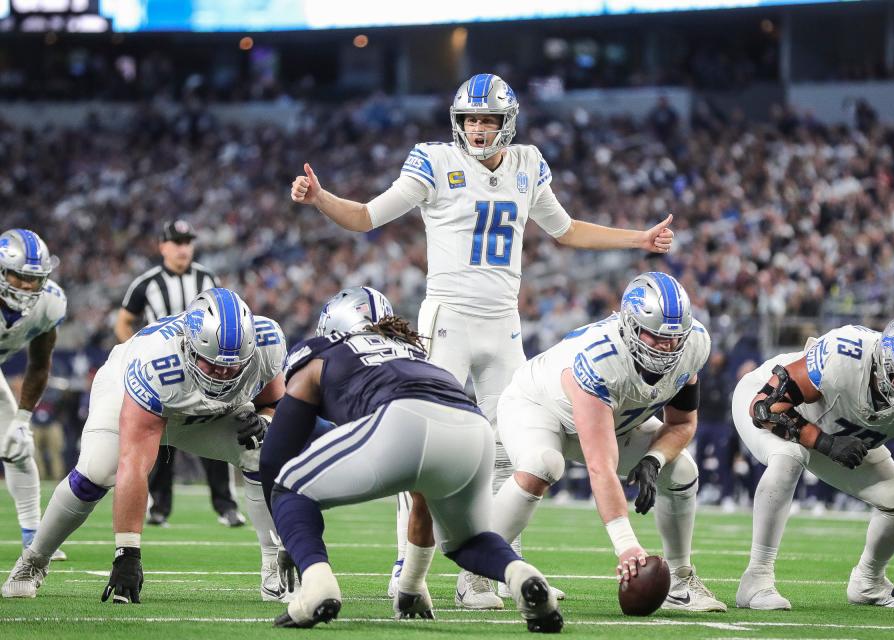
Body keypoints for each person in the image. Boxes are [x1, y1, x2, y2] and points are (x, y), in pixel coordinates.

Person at [290, 72, 674, 608]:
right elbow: (366, 217)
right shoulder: (434, 162)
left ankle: (482, 572)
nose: (476, 128)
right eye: (470, 118)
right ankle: (408, 564)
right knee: (426, 442)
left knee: (502, 451)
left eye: (487, 119)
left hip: (503, 323)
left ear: (506, 123)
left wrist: (639, 239)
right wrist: (321, 198)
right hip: (448, 318)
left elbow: (564, 229)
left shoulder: (526, 165)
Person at [258, 286, 563, 632]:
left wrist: (292, 538)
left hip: (401, 419)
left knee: (289, 488)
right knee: (467, 540)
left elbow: (274, 459)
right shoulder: (412, 352)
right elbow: (421, 498)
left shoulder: (321, 350)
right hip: (471, 428)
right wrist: (412, 585)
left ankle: (318, 586)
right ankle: (521, 575)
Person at [3, 288, 291, 603]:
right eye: (212, 365)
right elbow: (134, 464)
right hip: (129, 392)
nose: (222, 374)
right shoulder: (157, 361)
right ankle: (33, 561)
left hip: (201, 412)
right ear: (190, 345)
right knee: (96, 472)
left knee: (260, 448)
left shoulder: (266, 342)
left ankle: (275, 567)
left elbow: (274, 402)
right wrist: (127, 552)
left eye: (232, 366)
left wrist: (266, 421)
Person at [490, 272, 726, 612]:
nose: (667, 347)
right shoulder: (600, 359)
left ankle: (680, 581)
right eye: (656, 336)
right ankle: (478, 570)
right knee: (543, 464)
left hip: (613, 422)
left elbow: (683, 422)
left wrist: (653, 460)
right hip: (539, 408)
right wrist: (627, 546)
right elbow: (600, 465)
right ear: (630, 325)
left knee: (681, 469)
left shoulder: (695, 346)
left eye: (675, 339)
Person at [732, 316, 894, 612]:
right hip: (773, 404)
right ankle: (755, 580)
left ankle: (869, 582)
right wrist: (826, 443)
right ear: (885, 366)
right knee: (790, 458)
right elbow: (764, 407)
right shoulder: (845, 356)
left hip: (837, 434)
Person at [115, 220, 244, 529]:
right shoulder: (147, 283)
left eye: (187, 242)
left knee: (213, 435)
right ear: (163, 247)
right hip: (165, 371)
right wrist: (134, 352)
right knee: (160, 441)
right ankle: (159, 508)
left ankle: (226, 507)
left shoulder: (207, 278)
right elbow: (124, 321)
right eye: (177, 242)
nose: (183, 248)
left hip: (205, 370)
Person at [0, 229, 68, 562]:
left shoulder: (49, 302)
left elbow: (40, 364)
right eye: (19, 275)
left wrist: (23, 418)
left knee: (18, 445)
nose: (27, 285)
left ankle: (34, 538)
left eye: (34, 278)